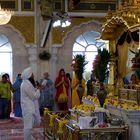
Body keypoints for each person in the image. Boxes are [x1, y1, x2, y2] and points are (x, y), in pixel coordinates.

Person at [20, 67, 41, 140]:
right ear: (29, 75)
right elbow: (34, 96)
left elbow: (32, 92)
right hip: (28, 109)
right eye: (32, 74)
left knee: (29, 126)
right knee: (28, 127)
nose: (33, 76)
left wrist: (36, 89)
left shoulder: (27, 83)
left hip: (28, 108)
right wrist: (38, 89)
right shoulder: (26, 84)